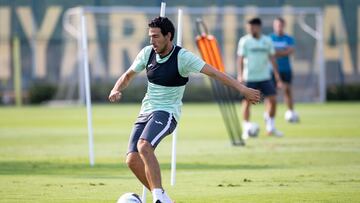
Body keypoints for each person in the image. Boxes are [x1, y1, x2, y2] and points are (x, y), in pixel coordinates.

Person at [108, 17, 260, 203]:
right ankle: (163, 198)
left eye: (156, 36)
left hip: (167, 113)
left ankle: (158, 199)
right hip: (145, 112)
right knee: (132, 159)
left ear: (168, 36)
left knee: (144, 146)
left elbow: (214, 73)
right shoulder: (147, 53)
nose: (152, 41)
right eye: (150, 36)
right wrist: (116, 89)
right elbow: (128, 75)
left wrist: (243, 89)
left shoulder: (183, 57)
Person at [237, 17, 283, 139]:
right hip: (249, 77)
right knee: (246, 103)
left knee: (273, 100)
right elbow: (240, 59)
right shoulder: (244, 41)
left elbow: (272, 59)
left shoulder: (267, 40)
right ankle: (246, 129)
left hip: (265, 77)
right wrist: (240, 75)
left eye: (252, 27)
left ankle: (271, 127)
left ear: (258, 27)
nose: (250, 29)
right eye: (249, 27)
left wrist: (277, 78)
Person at [270, 17, 299, 123]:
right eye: (277, 25)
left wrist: (276, 52)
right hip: (272, 70)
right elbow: (269, 53)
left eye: (281, 25)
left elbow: (290, 51)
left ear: (284, 26)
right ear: (274, 25)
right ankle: (267, 114)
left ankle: (290, 112)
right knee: (271, 93)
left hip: (286, 69)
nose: (279, 27)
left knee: (287, 90)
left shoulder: (289, 38)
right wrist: (282, 52)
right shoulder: (269, 38)